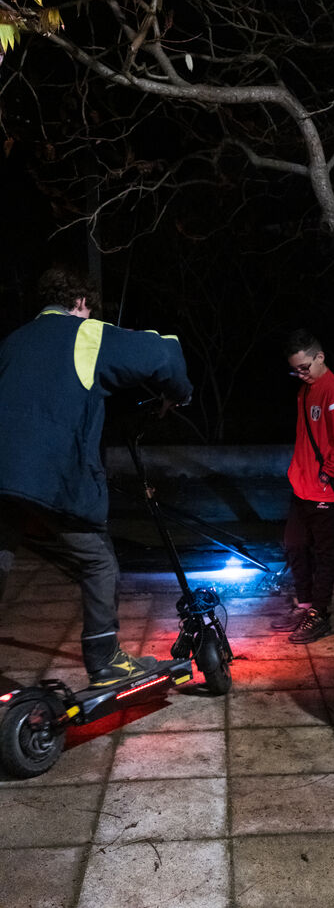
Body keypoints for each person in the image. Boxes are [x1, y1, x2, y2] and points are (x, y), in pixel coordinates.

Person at [0, 265, 193, 688]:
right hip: (53, 476)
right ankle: (105, 662)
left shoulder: (13, 341)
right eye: (89, 310)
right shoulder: (85, 333)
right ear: (80, 302)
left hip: (4, 476)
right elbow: (165, 352)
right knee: (98, 561)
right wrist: (178, 393)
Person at [272, 329, 334, 643]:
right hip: (302, 485)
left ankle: (319, 614)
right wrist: (299, 472)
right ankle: (305, 605)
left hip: (325, 489)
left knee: (325, 554)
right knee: (294, 545)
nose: (301, 374)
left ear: (320, 357)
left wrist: (327, 474)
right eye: (295, 370)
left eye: (305, 367)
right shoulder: (305, 390)